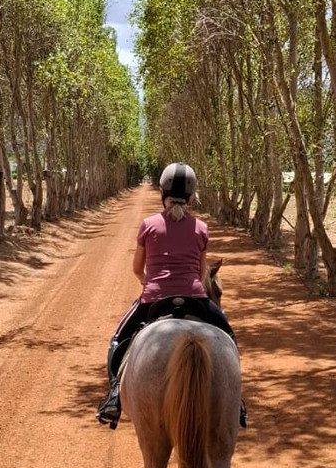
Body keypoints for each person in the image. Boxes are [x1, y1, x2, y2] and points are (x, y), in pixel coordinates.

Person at [96, 162, 245, 430]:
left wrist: (150, 283)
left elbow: (136, 269)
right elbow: (202, 274)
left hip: (154, 299)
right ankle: (238, 402)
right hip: (195, 298)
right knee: (229, 339)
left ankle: (115, 396)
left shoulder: (148, 225)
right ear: (191, 196)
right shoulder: (201, 228)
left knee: (118, 342)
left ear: (162, 192)